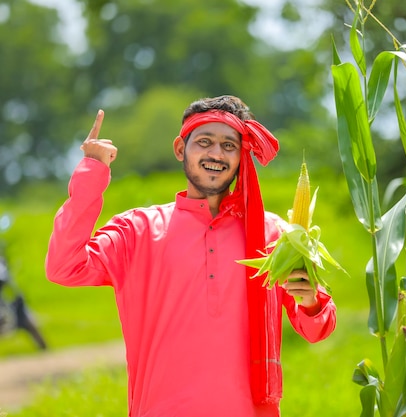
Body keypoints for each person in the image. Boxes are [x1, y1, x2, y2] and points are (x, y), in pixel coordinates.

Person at [45, 95, 337, 417]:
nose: (216, 153)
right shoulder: (137, 230)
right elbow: (63, 267)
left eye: (229, 145)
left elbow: (317, 329)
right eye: (205, 142)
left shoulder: (274, 235)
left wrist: (310, 302)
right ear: (181, 149)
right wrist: (92, 173)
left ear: (242, 156)